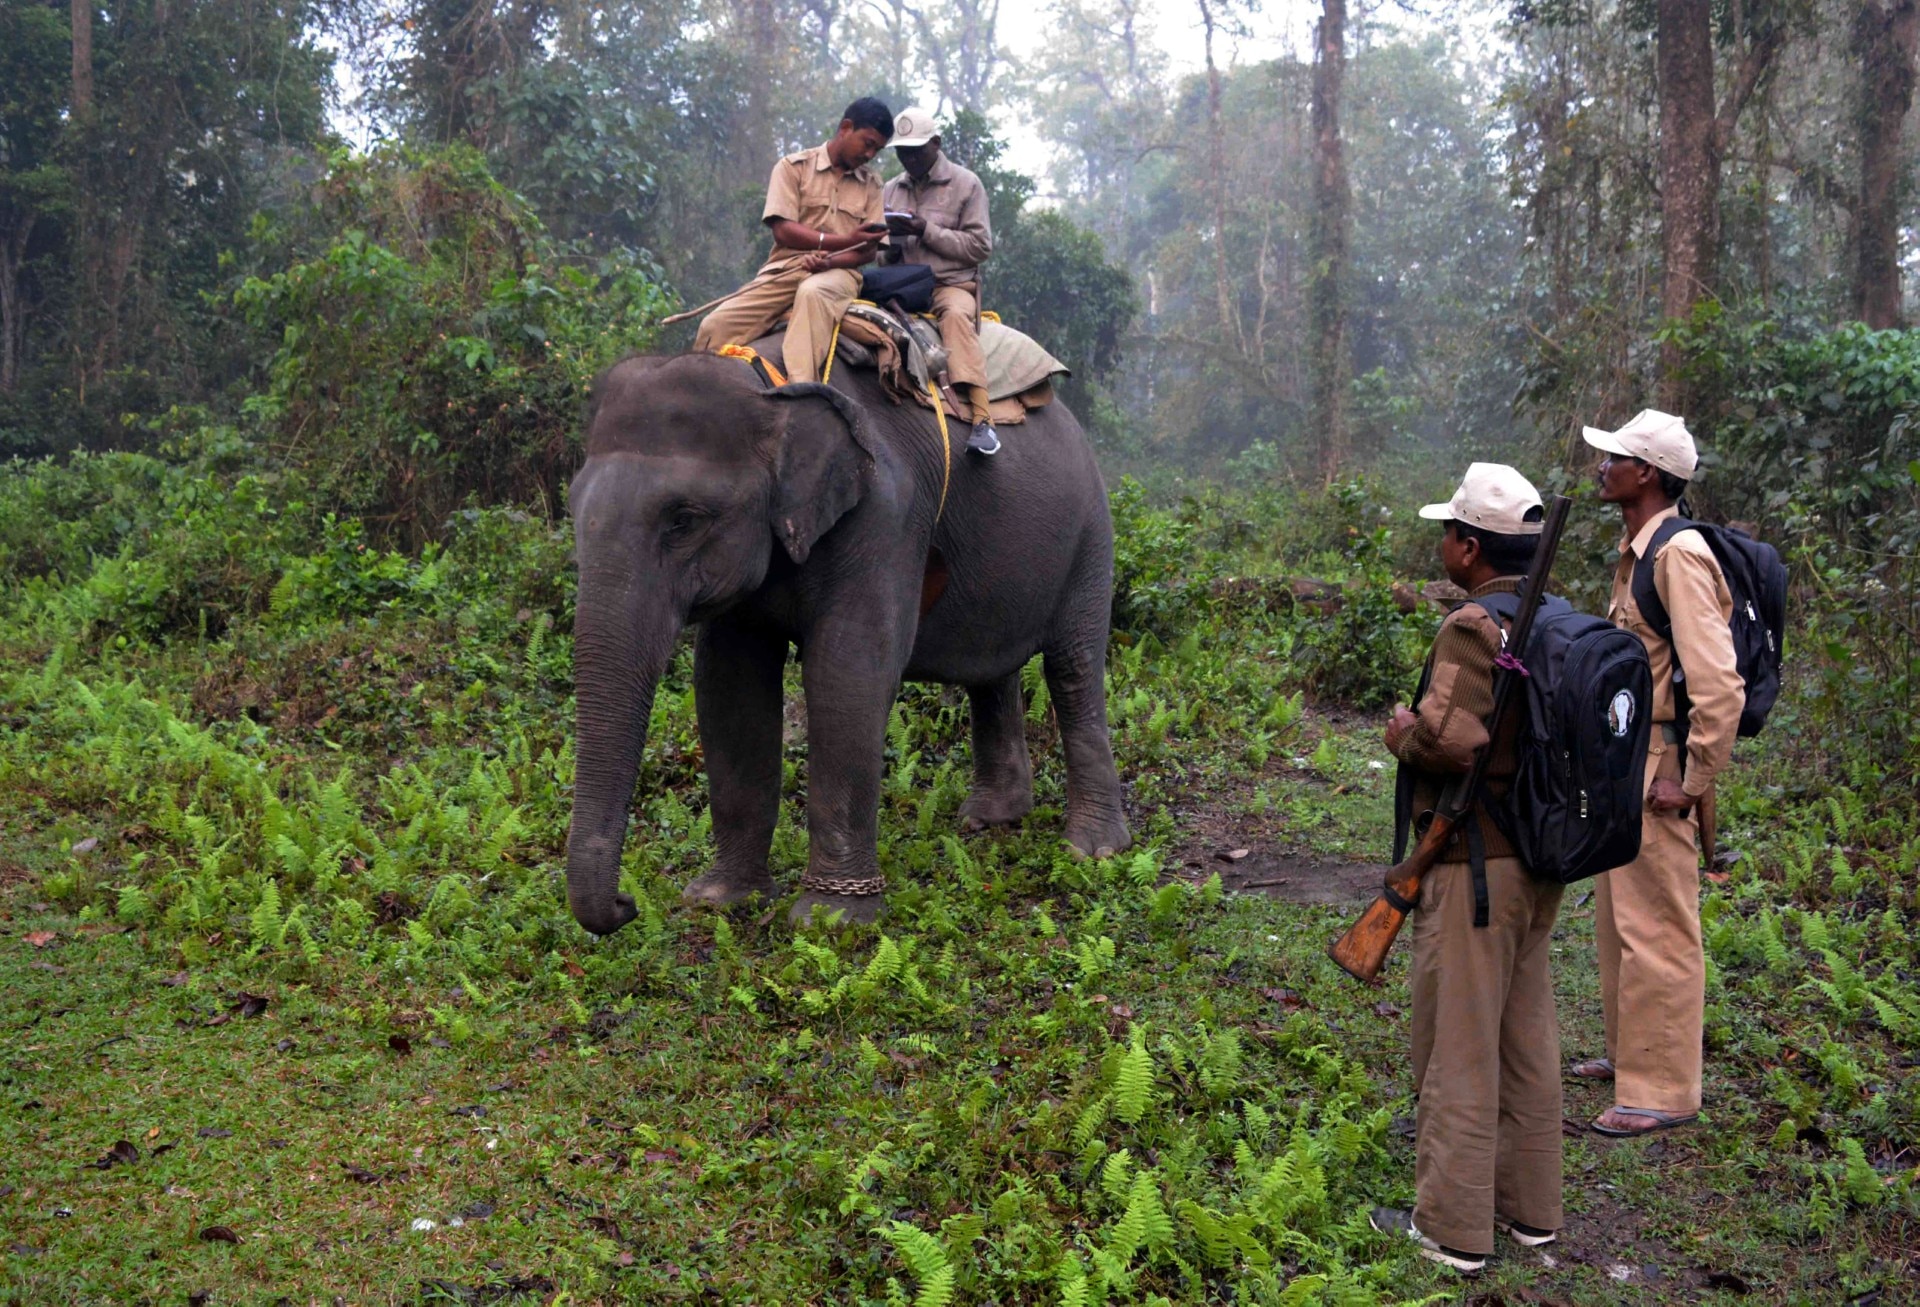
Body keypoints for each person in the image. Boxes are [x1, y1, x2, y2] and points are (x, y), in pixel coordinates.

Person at [1369, 463, 1564, 1275]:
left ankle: (1451, 1228)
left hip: (1474, 865)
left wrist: (1402, 733)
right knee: (1526, 1037)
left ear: (1471, 546)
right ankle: (1529, 1211)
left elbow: (1452, 740)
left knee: (1457, 1044)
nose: (1442, 544)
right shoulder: (1552, 617)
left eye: (1448, 532)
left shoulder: (1472, 627)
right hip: (1539, 861)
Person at [1574, 410, 1742, 1137]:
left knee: (1660, 926)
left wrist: (1693, 780)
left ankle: (1665, 1089)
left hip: (1660, 763)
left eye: (1616, 456)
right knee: (1621, 916)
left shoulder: (1678, 555)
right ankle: (1629, 1055)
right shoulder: (1638, 552)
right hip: (1628, 756)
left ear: (1646, 473)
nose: (1603, 465)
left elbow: (1719, 685)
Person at [693, 98, 894, 385]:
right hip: (784, 269)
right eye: (868, 143)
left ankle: (801, 388)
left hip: (838, 273)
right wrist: (844, 240)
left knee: (812, 293)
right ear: (846, 128)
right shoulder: (792, 167)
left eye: (877, 150)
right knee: (713, 326)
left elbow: (867, 252)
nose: (870, 154)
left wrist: (829, 261)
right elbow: (783, 231)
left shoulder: (872, 185)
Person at [879, 107, 1000, 455]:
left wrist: (926, 230)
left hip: (948, 286)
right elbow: (881, 255)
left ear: (936, 143)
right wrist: (890, 240)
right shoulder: (890, 189)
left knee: (957, 317)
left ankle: (983, 419)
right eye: (902, 152)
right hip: (900, 284)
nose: (909, 159)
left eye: (916, 150)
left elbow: (979, 246)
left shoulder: (966, 184)